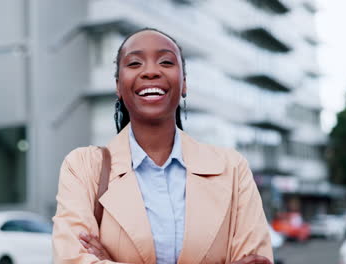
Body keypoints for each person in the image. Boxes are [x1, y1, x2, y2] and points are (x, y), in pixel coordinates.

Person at [52, 28, 273, 264]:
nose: (151, 71)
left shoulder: (232, 169)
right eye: (135, 63)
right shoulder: (83, 167)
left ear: (184, 83)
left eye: (166, 62)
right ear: (118, 86)